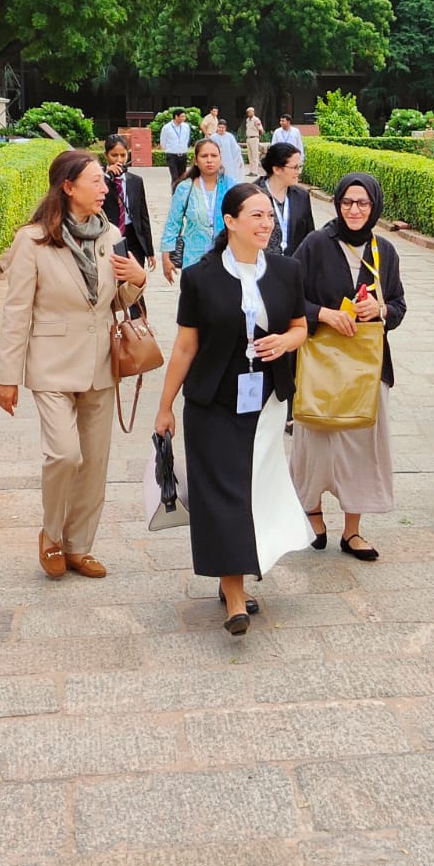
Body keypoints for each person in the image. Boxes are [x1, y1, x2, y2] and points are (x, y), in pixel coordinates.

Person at [153, 184, 314, 635]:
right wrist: (164, 407)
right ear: (230, 221)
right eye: (256, 216)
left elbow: (300, 327)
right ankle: (236, 597)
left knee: (252, 491)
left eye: (269, 216)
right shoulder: (200, 277)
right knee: (223, 494)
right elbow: (185, 347)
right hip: (211, 401)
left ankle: (238, 576)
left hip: (264, 401)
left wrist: (285, 341)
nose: (267, 224)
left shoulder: (287, 270)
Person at [0, 149, 149, 579]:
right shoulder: (33, 240)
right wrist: (7, 377)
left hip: (101, 362)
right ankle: (51, 535)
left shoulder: (110, 235)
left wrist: (138, 281)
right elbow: (16, 311)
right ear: (68, 186)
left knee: (95, 461)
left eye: (104, 181)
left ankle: (79, 545)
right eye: (96, 181)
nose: (105, 188)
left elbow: (116, 301)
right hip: (51, 363)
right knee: (65, 455)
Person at [290, 174, 407, 561]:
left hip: (367, 368)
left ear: (374, 207)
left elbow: (399, 306)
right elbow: (288, 300)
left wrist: (382, 309)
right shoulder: (315, 245)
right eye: (347, 203)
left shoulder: (384, 251)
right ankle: (312, 511)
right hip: (320, 364)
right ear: (337, 204)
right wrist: (323, 313)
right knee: (316, 443)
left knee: (361, 446)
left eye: (363, 204)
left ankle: (353, 531)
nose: (354, 210)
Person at [161, 138, 229, 284]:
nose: (209, 160)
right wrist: (166, 257)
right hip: (193, 258)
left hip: (227, 257)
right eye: (204, 156)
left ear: (220, 158)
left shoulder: (232, 187)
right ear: (196, 161)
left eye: (214, 156)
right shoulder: (185, 188)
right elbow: (173, 223)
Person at [100, 134, 155, 271]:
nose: (119, 160)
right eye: (114, 155)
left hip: (133, 237)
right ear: (106, 155)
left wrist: (150, 251)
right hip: (108, 235)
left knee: (133, 284)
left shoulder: (136, 181)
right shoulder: (99, 179)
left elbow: (143, 216)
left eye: (123, 155)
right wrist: (106, 177)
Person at [255, 142, 315, 256]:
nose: (298, 172)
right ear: (277, 169)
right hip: (261, 266)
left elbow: (309, 237)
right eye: (294, 167)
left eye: (300, 167)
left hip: (294, 266)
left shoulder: (302, 196)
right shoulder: (252, 195)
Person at [160, 109, 193, 185]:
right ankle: (174, 193)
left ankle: (181, 194)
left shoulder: (186, 126)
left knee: (182, 177)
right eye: (182, 116)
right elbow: (163, 141)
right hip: (172, 155)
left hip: (183, 155)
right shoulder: (167, 127)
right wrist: (169, 149)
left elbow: (187, 138)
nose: (184, 118)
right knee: (175, 177)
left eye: (184, 116)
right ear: (176, 117)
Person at [243, 107, 265, 173]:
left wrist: (258, 136)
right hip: (248, 138)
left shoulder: (256, 120)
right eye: (248, 112)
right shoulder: (247, 120)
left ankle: (255, 171)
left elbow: (261, 129)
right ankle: (251, 171)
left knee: (254, 155)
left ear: (253, 112)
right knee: (250, 156)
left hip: (254, 138)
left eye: (251, 112)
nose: (249, 113)